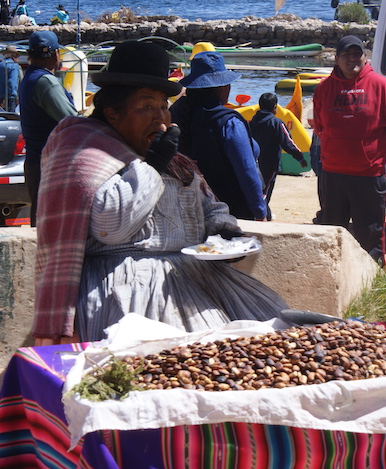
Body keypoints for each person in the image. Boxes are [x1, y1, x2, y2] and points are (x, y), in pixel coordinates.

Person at [32, 40, 288, 345]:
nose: (160, 118)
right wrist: (151, 165)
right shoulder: (84, 150)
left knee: (272, 339)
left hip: (197, 280)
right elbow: (111, 226)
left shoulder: (169, 159)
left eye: (164, 106)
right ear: (112, 113)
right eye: (146, 106)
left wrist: (224, 232)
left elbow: (206, 203)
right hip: (129, 291)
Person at [312, 35, 386, 263]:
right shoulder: (324, 89)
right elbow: (320, 126)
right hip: (333, 175)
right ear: (336, 59)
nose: (352, 59)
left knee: (370, 238)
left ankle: (373, 288)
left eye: (357, 54)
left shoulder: (382, 86)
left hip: (368, 176)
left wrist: (375, 153)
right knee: (332, 234)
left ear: (365, 58)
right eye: (346, 54)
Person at [170, 51, 267, 221]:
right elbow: (247, 173)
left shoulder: (175, 113)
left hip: (185, 210)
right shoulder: (229, 123)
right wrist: (260, 211)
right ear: (222, 87)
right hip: (229, 213)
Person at [18, 30, 77, 226]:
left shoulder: (29, 78)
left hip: (35, 161)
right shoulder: (46, 82)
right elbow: (72, 121)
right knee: (53, 223)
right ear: (55, 55)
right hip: (50, 164)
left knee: (41, 220)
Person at [249, 92, 307, 221]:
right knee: (265, 192)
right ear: (275, 107)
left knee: (259, 188)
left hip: (253, 162)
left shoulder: (252, 122)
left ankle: (266, 214)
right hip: (270, 164)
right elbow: (287, 142)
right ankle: (261, 216)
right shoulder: (276, 123)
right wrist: (300, 157)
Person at [0, 45, 21, 112]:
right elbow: (12, 83)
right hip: (8, 99)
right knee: (11, 120)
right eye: (17, 57)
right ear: (14, 56)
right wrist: (7, 99)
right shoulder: (14, 65)